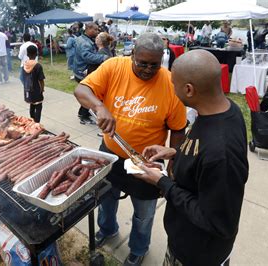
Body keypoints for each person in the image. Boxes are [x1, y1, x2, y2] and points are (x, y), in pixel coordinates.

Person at [74, 32, 187, 266]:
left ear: (162, 59)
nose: (147, 69)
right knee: (106, 198)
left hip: (146, 163)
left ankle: (138, 247)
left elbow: (178, 129)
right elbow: (81, 90)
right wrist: (99, 106)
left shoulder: (169, 83)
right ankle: (107, 229)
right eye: (142, 63)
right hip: (110, 152)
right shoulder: (114, 67)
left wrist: (175, 163)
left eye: (154, 65)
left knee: (144, 213)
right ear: (132, 54)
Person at [135, 49, 249, 266]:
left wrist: (162, 182)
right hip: (183, 238)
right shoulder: (222, 109)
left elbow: (218, 222)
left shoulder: (221, 153)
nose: (171, 87)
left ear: (188, 90)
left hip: (197, 252)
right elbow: (202, 156)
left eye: (173, 83)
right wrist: (176, 152)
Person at [73, 22, 109, 125]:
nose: (97, 32)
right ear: (88, 29)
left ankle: (83, 113)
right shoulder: (84, 42)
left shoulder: (84, 39)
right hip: (83, 72)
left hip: (81, 70)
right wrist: (103, 58)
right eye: (95, 30)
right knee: (89, 95)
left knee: (89, 94)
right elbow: (87, 56)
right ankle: (83, 116)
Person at [22, 45, 45, 123]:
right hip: (36, 89)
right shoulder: (38, 66)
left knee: (32, 105)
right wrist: (42, 89)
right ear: (36, 54)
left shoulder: (24, 65)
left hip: (28, 89)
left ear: (27, 54)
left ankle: (32, 120)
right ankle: (37, 123)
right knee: (38, 106)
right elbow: (41, 80)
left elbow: (22, 78)